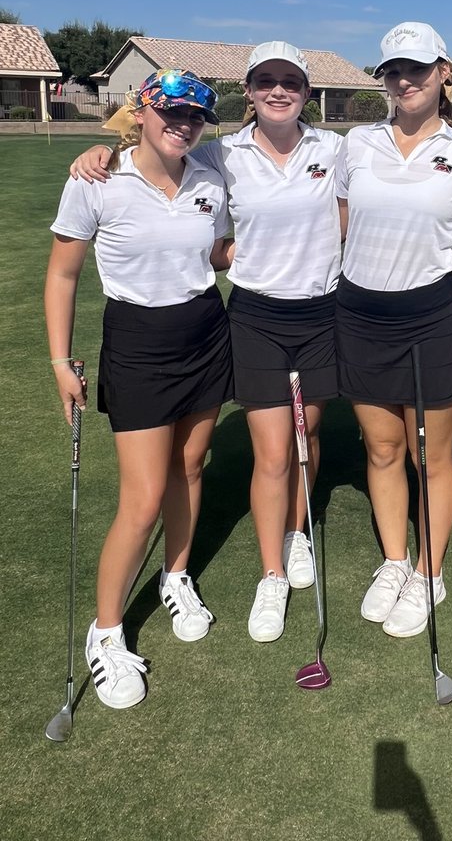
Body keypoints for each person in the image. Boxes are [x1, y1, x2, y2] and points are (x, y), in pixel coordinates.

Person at [68, 42, 344, 646]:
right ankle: (269, 575)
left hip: (305, 314)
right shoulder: (222, 155)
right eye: (265, 80)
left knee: (303, 438)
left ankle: (295, 534)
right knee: (269, 454)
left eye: (290, 80)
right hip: (246, 318)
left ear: (306, 88)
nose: (278, 89)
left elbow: (363, 204)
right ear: (247, 90)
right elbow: (152, 145)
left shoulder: (333, 148)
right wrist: (102, 146)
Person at [46, 70, 231, 710]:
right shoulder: (96, 179)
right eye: (172, 112)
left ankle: (176, 576)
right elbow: (64, 274)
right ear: (143, 110)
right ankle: (106, 632)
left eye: (195, 117)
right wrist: (59, 359)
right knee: (143, 497)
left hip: (207, 331)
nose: (183, 125)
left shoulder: (210, 178)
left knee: (189, 465)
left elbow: (214, 253)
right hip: (137, 343)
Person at [336, 22, 452, 638]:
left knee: (430, 454)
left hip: (430, 316)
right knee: (381, 448)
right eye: (394, 71)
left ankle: (431, 571)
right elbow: (341, 219)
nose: (405, 81)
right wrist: (119, 145)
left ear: (444, 72)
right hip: (360, 311)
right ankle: (395, 561)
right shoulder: (354, 144)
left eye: (418, 69)